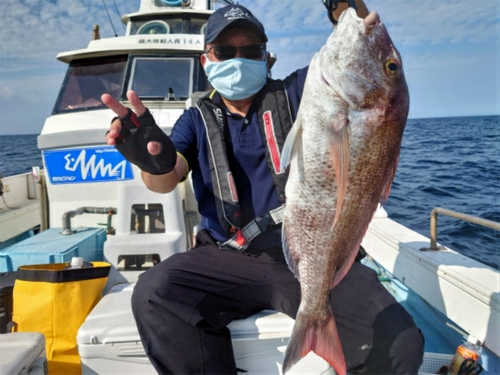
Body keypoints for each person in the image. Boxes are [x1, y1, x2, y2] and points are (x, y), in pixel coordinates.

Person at [104, 2, 425, 374]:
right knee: (155, 291)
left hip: (311, 253)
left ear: (267, 58)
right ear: (206, 62)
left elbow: (359, 56)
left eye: (251, 50)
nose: (238, 59)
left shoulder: (300, 92)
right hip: (226, 257)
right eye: (225, 51)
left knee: (400, 342)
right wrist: (151, 160)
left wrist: (345, 10)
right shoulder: (195, 119)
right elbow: (165, 179)